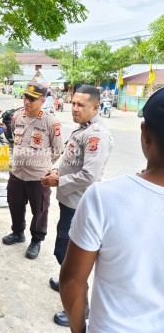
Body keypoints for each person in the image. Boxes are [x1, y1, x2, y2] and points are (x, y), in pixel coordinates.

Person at [59, 87, 164, 333]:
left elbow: (72, 281)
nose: (75, 108)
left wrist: (79, 329)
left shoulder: (104, 198)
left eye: (80, 104)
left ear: (145, 133)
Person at [41, 85, 113, 327]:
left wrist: (58, 180)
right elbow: (71, 160)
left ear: (95, 107)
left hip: (79, 205)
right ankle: (65, 281)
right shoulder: (83, 130)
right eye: (73, 103)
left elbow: (89, 175)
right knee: (65, 249)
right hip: (68, 201)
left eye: (80, 105)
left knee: (69, 254)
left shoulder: (96, 135)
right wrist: (56, 170)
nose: (74, 108)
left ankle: (80, 310)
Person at [2, 82, 63, 259]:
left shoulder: (51, 122)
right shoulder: (17, 117)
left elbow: (57, 150)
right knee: (15, 204)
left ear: (43, 100)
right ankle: (17, 232)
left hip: (39, 177)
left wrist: (40, 163)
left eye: (32, 99)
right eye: (25, 97)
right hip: (17, 173)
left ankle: (36, 240)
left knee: (40, 209)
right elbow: (15, 140)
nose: (27, 101)